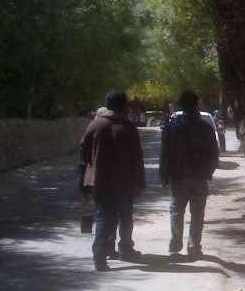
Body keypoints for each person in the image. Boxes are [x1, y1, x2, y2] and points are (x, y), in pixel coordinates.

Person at [80, 90, 146, 271]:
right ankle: (125, 250)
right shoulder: (129, 127)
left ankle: (100, 257)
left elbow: (84, 156)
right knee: (125, 218)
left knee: (104, 217)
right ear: (123, 106)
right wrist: (140, 183)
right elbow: (137, 158)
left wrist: (84, 183)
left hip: (100, 182)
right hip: (125, 183)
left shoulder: (95, 126)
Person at [160, 90, 219, 259]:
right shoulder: (205, 127)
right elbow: (213, 154)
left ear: (181, 106)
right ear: (196, 105)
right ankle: (194, 248)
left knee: (176, 211)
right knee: (197, 213)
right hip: (199, 177)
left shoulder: (172, 127)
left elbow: (165, 153)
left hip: (178, 177)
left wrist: (164, 174)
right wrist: (208, 172)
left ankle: (175, 246)